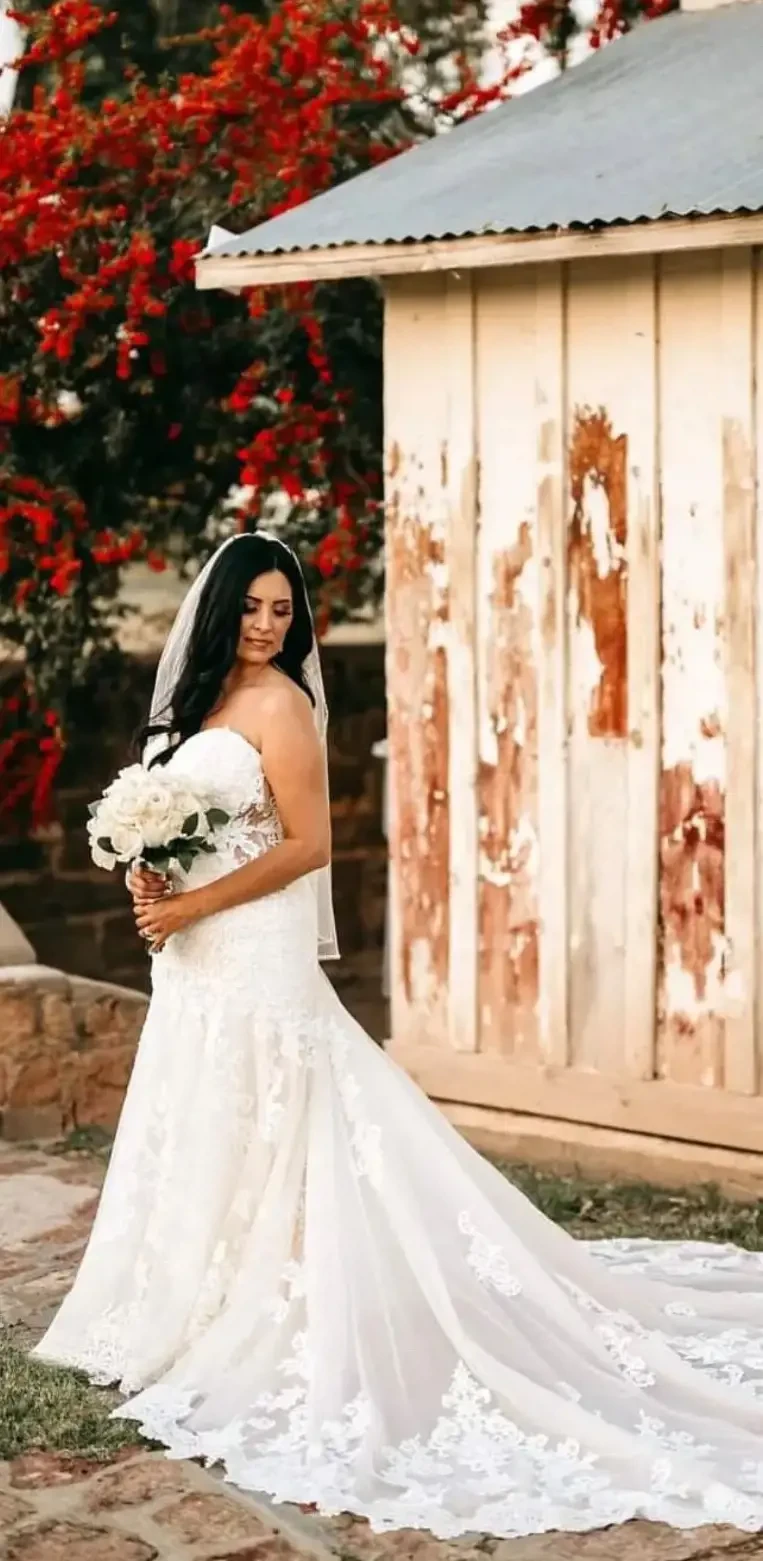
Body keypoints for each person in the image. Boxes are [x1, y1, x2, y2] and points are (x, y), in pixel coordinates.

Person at [33, 532, 763, 1541]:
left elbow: (307, 845)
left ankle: (298, 1300)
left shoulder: (283, 705)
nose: (264, 625)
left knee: (287, 1109)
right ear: (216, 613)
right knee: (210, 1108)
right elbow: (181, 828)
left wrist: (198, 910)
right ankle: (197, 1294)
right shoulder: (194, 708)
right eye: (249, 607)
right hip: (196, 952)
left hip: (252, 943)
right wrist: (148, 874)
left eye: (281, 611)